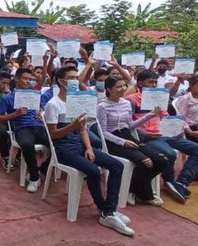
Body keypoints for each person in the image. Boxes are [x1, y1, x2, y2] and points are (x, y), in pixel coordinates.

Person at [44, 67, 133, 236]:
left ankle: (109, 210)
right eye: (71, 78)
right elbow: (53, 134)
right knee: (93, 171)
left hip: (80, 145)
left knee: (116, 165)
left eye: (76, 77)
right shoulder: (53, 105)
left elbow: (83, 129)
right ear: (61, 81)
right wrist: (73, 126)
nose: (75, 81)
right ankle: (105, 210)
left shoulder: (77, 101)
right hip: (63, 149)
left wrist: (90, 148)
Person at [125, 70, 198, 202]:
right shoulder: (131, 100)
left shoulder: (159, 98)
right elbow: (128, 125)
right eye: (150, 82)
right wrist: (145, 134)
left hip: (167, 134)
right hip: (148, 137)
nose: (153, 85)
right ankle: (169, 181)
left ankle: (181, 183)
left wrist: (181, 128)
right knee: (170, 154)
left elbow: (167, 116)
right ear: (140, 83)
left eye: (155, 82)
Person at [97, 76, 172, 206]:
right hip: (112, 141)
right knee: (146, 162)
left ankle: (133, 188)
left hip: (127, 136)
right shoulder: (102, 106)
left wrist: (150, 115)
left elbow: (130, 125)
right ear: (108, 89)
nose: (123, 89)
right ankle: (145, 194)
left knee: (162, 160)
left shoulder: (126, 103)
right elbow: (102, 132)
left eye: (124, 86)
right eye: (118, 86)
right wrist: (122, 142)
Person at [0, 68, 51, 193]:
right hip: (22, 128)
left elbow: (44, 105)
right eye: (25, 78)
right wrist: (15, 114)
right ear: (17, 79)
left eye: (30, 79)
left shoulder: (34, 95)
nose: (28, 82)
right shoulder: (8, 98)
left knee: (57, 143)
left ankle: (42, 170)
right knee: (26, 144)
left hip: (39, 126)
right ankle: (34, 178)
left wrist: (42, 112)